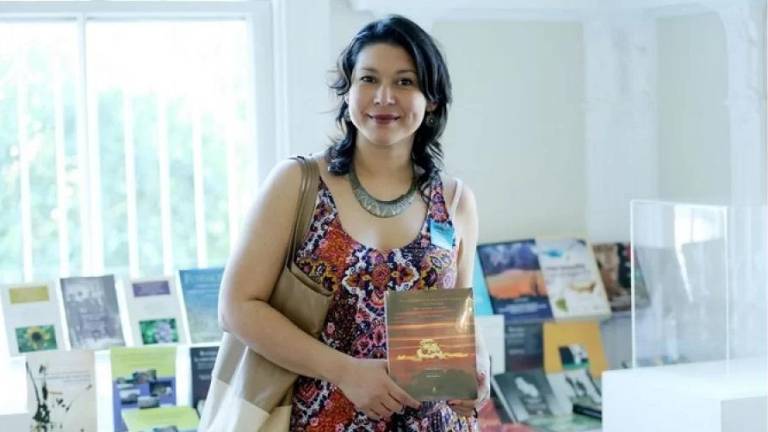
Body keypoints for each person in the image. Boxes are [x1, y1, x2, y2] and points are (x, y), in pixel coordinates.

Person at [218, 14, 490, 431]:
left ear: (432, 100)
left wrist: (479, 367)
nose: (384, 97)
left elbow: (460, 322)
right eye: (368, 79)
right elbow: (236, 308)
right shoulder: (297, 184)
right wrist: (345, 371)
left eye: (405, 82)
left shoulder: (454, 201)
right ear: (347, 91)